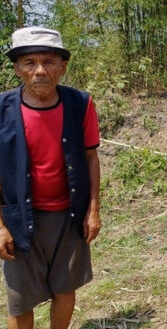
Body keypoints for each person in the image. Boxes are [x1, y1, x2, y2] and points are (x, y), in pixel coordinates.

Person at [0, 27, 101, 329]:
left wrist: (93, 210)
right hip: (17, 216)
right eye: (29, 62)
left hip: (69, 215)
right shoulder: (2, 109)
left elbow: (90, 157)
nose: (40, 70)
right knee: (20, 297)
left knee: (65, 287)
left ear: (63, 67)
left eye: (49, 61)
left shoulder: (80, 103)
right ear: (17, 68)